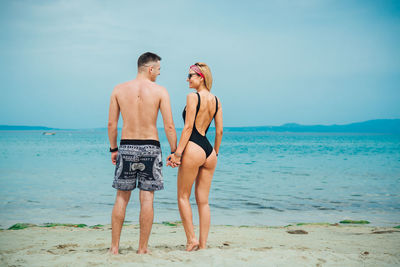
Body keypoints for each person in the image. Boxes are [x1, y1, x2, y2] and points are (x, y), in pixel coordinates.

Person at [108, 52, 177, 254]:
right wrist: (175, 151)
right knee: (147, 199)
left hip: (126, 146)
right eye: (158, 70)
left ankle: (114, 248)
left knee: (121, 198)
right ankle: (142, 249)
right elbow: (169, 126)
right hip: (151, 147)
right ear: (150, 69)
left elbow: (112, 124)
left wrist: (113, 149)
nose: (158, 73)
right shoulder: (160, 91)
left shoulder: (119, 90)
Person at [167, 62, 223, 251]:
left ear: (201, 77)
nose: (188, 79)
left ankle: (192, 240)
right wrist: (215, 151)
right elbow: (220, 131)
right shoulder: (216, 100)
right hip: (209, 150)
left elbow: (188, 127)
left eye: (191, 75)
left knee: (183, 196)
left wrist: (177, 154)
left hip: (193, 147)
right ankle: (204, 245)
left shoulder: (193, 97)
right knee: (204, 201)